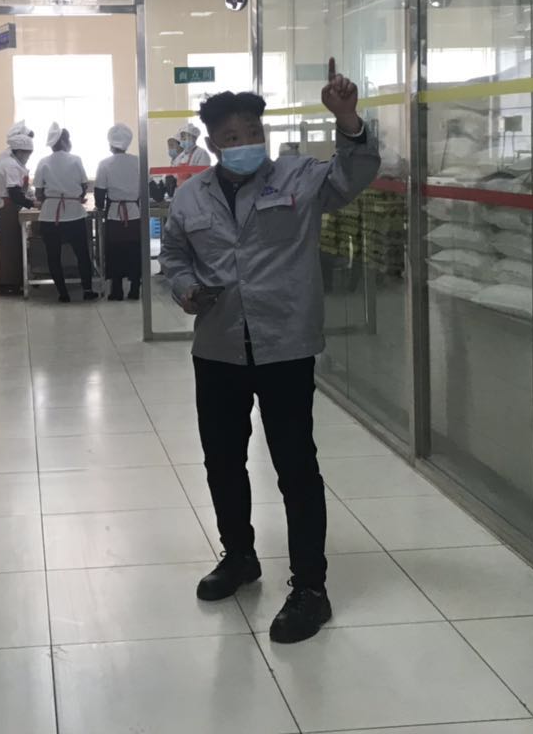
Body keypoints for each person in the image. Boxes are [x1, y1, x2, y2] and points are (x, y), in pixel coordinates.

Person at [160, 60, 379, 644]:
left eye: (253, 132)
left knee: (295, 466)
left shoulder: (298, 178)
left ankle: (310, 587)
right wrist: (186, 289)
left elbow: (355, 173)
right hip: (218, 347)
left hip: (285, 345)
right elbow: (174, 257)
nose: (246, 143)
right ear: (213, 144)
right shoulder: (191, 196)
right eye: (232, 136)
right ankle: (239, 556)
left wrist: (348, 119)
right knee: (222, 460)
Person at [35, 123, 98, 303]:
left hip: (50, 216)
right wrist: (75, 196)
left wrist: (50, 197)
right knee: (82, 254)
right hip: (74, 215)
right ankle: (87, 290)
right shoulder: (76, 159)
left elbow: (38, 192)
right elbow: (84, 186)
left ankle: (63, 293)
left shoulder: (43, 162)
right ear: (64, 141)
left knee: (53, 256)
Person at [96, 123, 143, 302]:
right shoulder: (138, 161)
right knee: (134, 250)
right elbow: (144, 188)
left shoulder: (105, 164)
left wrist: (100, 207)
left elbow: (100, 192)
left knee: (115, 252)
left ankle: (116, 291)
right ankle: (134, 289)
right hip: (134, 213)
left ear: (110, 144)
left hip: (115, 213)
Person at [0, 122, 35, 296]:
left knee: (12, 245)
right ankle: (8, 284)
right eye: (28, 153)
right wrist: (33, 203)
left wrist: (30, 197)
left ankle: (14, 280)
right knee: (8, 247)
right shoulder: (9, 163)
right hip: (6, 207)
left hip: (9, 206)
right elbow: (14, 192)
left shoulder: (13, 160)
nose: (28, 157)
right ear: (19, 149)